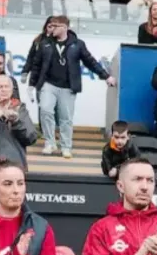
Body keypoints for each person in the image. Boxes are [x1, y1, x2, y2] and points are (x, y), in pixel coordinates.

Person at [27, 15, 115, 159]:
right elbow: (37, 65)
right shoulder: (45, 44)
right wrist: (32, 84)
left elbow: (91, 62)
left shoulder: (77, 44)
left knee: (65, 117)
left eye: (55, 26)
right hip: (48, 84)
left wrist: (106, 76)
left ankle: (66, 146)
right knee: (45, 109)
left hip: (68, 87)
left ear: (64, 27)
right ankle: (50, 142)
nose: (52, 28)